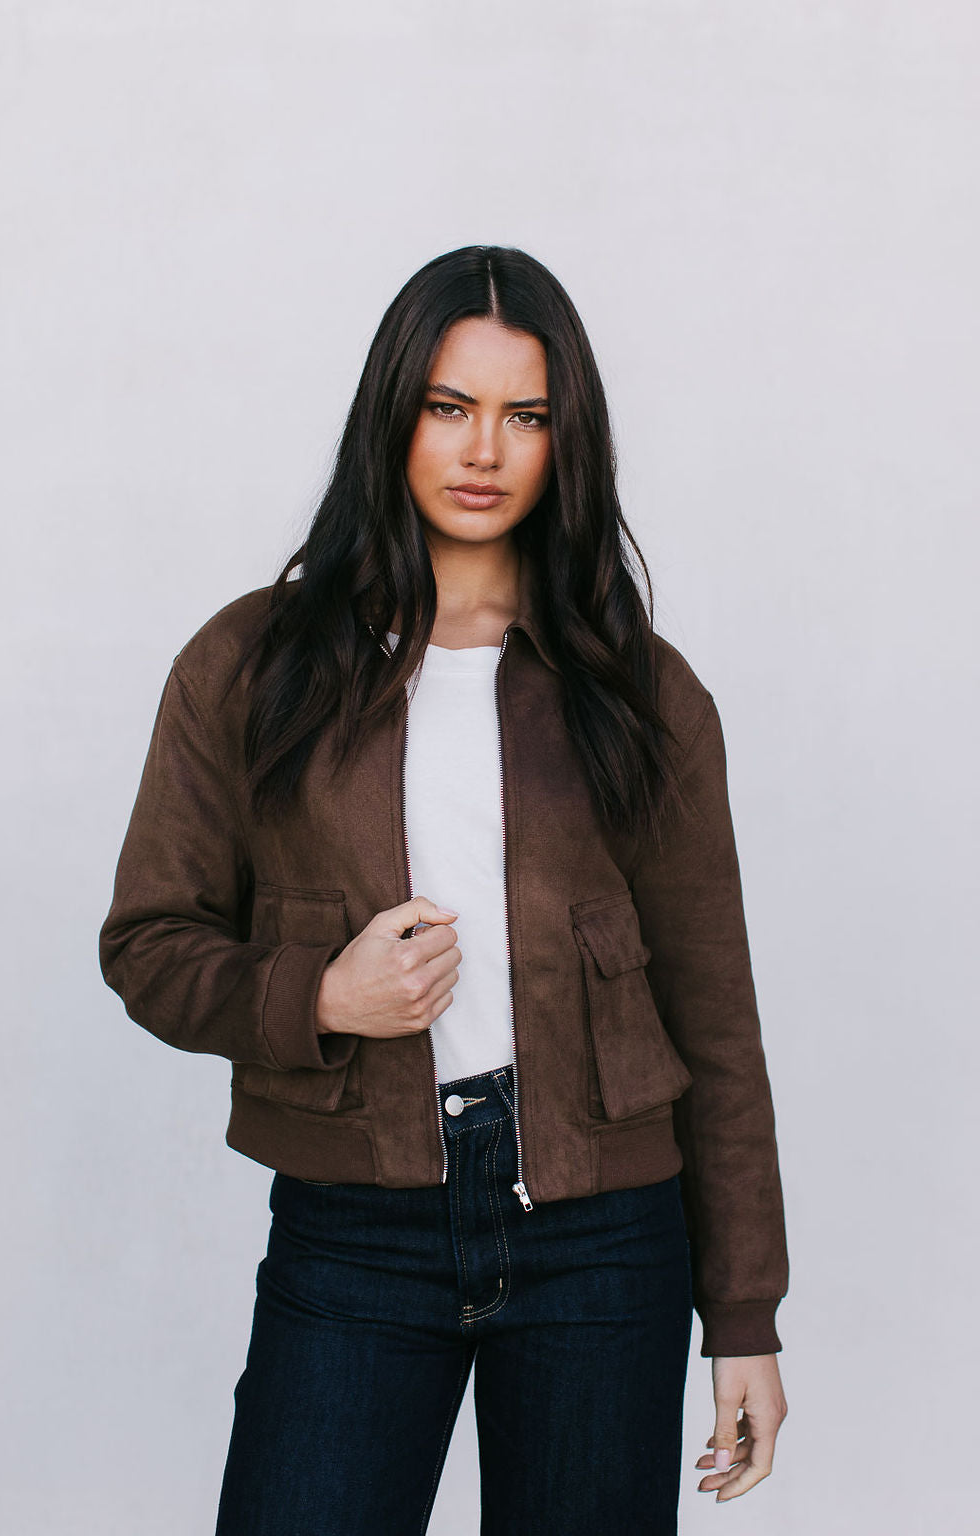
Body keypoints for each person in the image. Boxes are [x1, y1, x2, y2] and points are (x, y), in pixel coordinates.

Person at [99, 244, 789, 1535]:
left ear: (562, 441)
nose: (485, 450)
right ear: (394, 418)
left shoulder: (642, 695)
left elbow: (717, 1020)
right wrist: (322, 994)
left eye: (525, 416)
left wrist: (744, 1321)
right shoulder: (254, 668)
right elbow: (147, 940)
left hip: (603, 1241)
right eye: (449, 407)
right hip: (357, 1228)